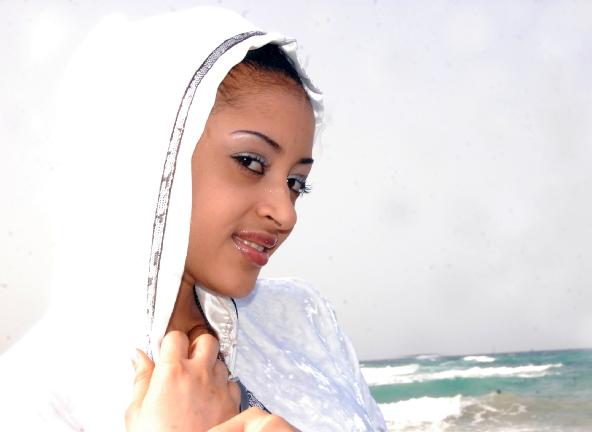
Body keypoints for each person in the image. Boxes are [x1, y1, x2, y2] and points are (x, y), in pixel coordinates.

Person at [0, 7, 386, 431]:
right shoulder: (29, 400)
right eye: (251, 162)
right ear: (153, 155)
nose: (286, 213)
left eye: (297, 182)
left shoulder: (301, 318)